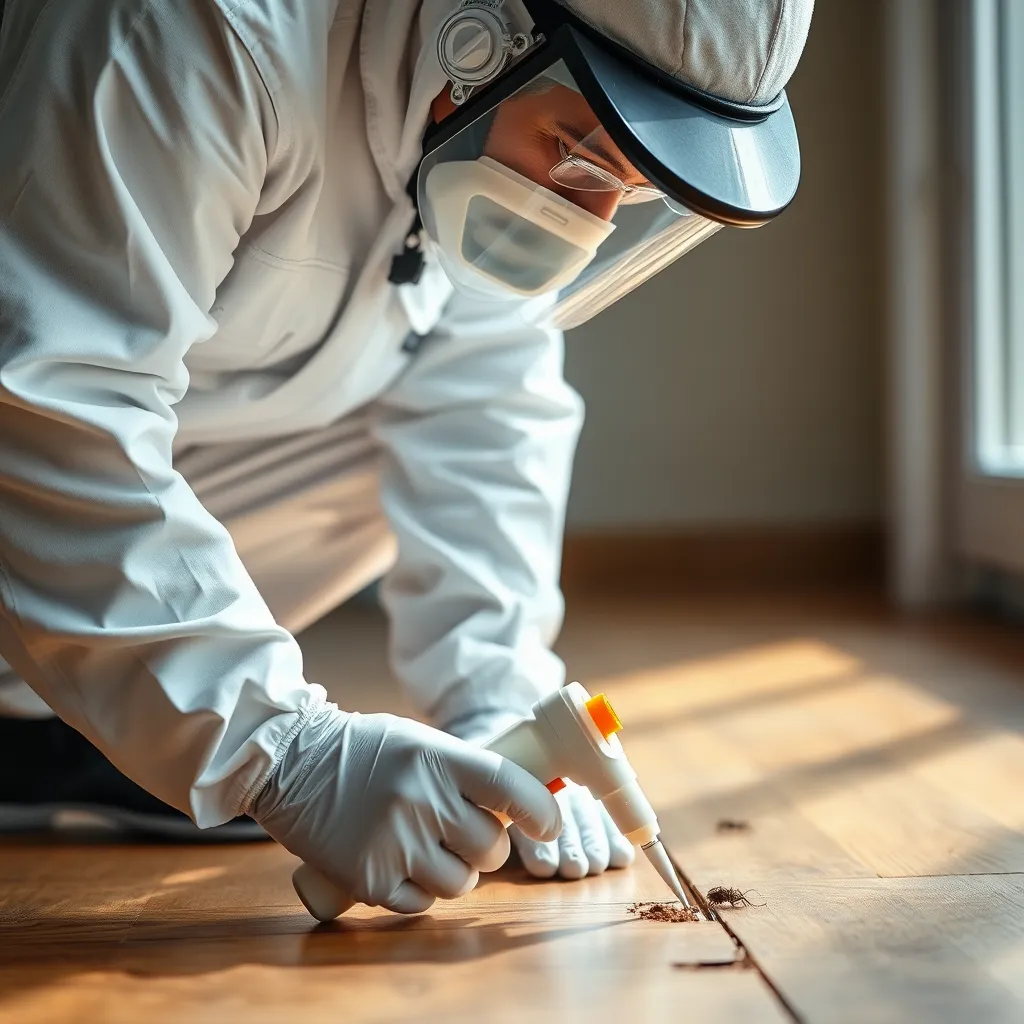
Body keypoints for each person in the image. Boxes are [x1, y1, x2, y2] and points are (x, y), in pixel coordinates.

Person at [0, 0, 813, 915]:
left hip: (124, 485)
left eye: (628, 188)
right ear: (484, 31)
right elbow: (50, 403)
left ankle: (64, 731)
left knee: (389, 439)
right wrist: (281, 748)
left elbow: (484, 404)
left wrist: (500, 701)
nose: (588, 219)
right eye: (581, 154)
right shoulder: (192, 36)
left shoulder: (479, 103)